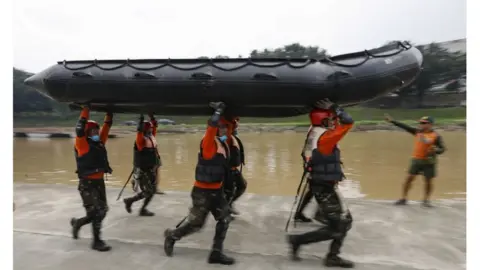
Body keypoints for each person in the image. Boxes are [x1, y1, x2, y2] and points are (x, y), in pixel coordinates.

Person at [163, 102, 235, 265]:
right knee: (196, 224)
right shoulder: (209, 143)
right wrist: (217, 111)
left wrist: (231, 115)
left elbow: (230, 127)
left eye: (226, 127)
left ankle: (216, 253)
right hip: (202, 192)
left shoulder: (224, 144)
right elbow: (211, 126)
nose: (224, 130)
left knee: (224, 219)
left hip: (217, 192)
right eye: (221, 127)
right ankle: (172, 236)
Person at [287, 99, 355, 268]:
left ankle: (328, 253)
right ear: (324, 121)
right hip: (324, 187)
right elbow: (348, 122)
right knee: (340, 224)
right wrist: (335, 107)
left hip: (321, 184)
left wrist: (325, 110)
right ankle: (301, 242)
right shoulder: (326, 138)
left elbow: (333, 124)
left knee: (342, 222)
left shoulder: (314, 132)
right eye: (331, 119)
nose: (334, 122)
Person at [70, 105, 114, 252]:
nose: (97, 132)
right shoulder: (82, 144)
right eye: (93, 130)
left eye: (97, 130)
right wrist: (86, 109)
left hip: (99, 183)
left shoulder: (99, 143)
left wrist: (109, 114)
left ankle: (77, 223)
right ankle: (97, 241)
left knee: (99, 211)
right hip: (87, 184)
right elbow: (80, 128)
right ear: (87, 132)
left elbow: (106, 129)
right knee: (98, 212)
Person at [384, 114, 446, 207]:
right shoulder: (417, 132)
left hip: (429, 162)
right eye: (421, 123)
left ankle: (426, 200)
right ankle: (403, 198)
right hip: (416, 160)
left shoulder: (436, 136)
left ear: (430, 124)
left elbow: (442, 149)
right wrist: (392, 121)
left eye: (424, 123)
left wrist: (436, 150)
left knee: (428, 181)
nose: (421, 124)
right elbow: (405, 127)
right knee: (408, 179)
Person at [124, 113, 161, 216]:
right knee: (148, 191)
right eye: (149, 129)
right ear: (144, 130)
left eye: (151, 129)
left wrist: (152, 118)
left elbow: (154, 127)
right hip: (142, 169)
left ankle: (141, 208)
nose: (151, 130)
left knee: (152, 190)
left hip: (150, 168)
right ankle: (130, 201)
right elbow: (139, 133)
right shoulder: (140, 141)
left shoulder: (150, 136)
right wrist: (140, 121)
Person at [223, 117, 247, 216]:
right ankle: (225, 210)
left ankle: (228, 205)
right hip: (226, 170)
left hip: (234, 169)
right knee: (229, 191)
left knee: (242, 185)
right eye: (235, 125)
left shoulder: (233, 137)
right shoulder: (224, 137)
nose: (237, 125)